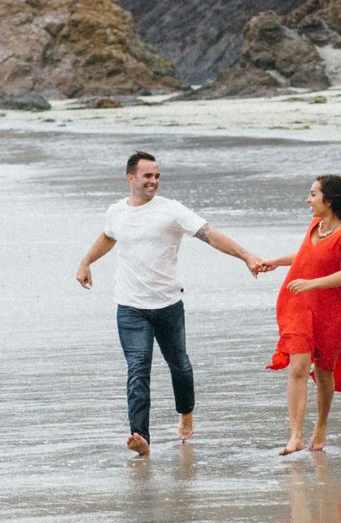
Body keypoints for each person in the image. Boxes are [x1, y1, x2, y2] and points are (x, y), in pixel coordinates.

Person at [77, 151, 271, 456]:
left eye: (157, 176)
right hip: (130, 306)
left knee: (179, 366)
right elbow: (108, 236)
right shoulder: (116, 212)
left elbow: (210, 235)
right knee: (138, 368)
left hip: (168, 305)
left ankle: (186, 414)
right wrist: (86, 261)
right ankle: (140, 436)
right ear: (130, 178)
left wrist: (246, 256)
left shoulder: (172, 210)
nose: (153, 181)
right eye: (147, 176)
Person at [262, 174, 341, 456]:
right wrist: (276, 261)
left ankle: (321, 424)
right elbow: (306, 257)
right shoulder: (314, 226)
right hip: (300, 307)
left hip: (332, 311)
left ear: (328, 200)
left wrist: (311, 283)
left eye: (313, 194)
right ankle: (294, 436)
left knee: (324, 372)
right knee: (297, 368)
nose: (308, 199)